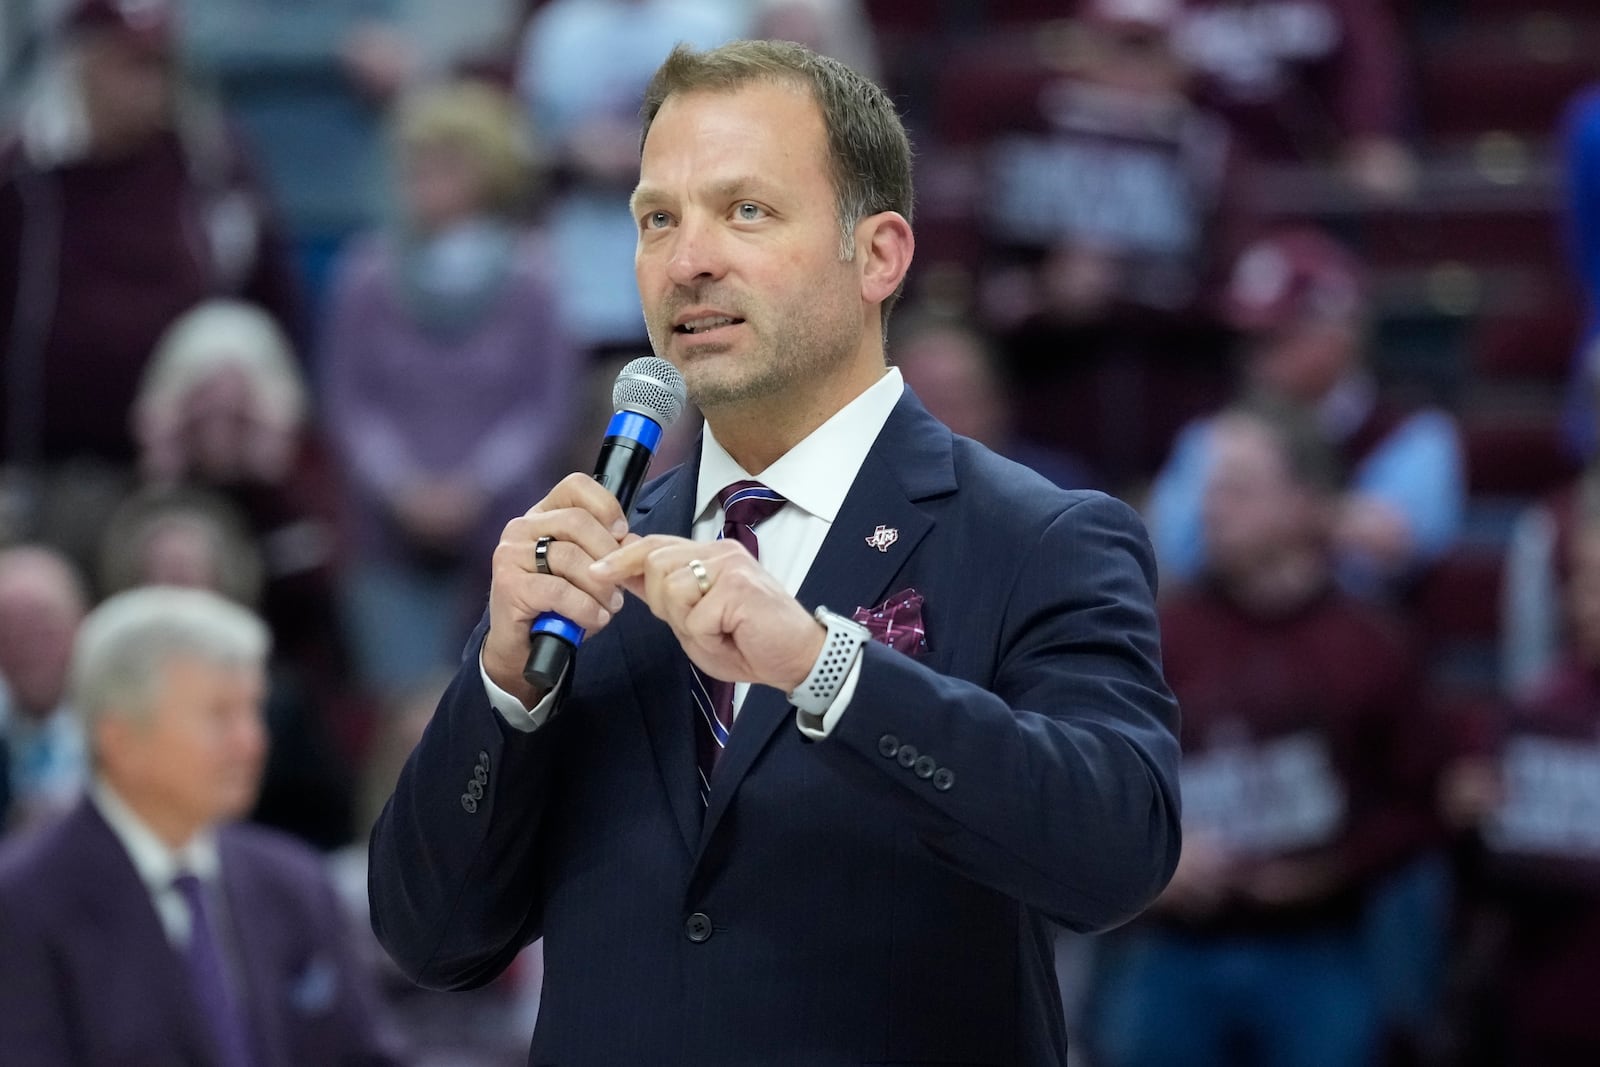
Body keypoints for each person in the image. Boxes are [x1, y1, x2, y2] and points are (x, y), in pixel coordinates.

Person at [369, 39, 1181, 1066]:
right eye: (657, 217)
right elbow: (430, 934)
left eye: (744, 210)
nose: (687, 257)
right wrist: (500, 688)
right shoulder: (585, 555)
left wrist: (822, 665)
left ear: (879, 254)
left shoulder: (1040, 537)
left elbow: (1114, 855)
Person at [1091, 401, 1442, 1067]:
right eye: (1208, 486)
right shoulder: (1155, 633)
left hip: (1321, 945)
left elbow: (1422, 801)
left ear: (1306, 504)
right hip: (1171, 946)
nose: (1210, 506)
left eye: (1237, 487)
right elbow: (1095, 777)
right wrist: (1151, 860)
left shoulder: (1372, 643)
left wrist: (1335, 867)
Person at [0, 585, 406, 1064]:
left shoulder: (291, 882)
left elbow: (364, 1056)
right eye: (220, 715)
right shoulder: (24, 904)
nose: (252, 742)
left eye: (253, 709)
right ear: (120, 737)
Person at [320, 79, 583, 697]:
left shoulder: (534, 280)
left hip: (507, 532)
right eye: (415, 167)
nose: (425, 182)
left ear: (489, 174)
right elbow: (349, 402)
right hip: (387, 539)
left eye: (446, 166)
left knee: (498, 700)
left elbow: (545, 406)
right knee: (400, 709)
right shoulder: (364, 276)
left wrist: (477, 486)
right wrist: (399, 486)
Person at [1146, 225, 1465, 599]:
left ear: (1339, 334)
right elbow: (1174, 552)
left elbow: (1391, 553)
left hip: (1364, 645)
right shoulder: (1212, 435)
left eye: (1275, 337)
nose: (1255, 359)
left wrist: (1277, 517)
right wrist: (1330, 522)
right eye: (1249, 341)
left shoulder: (1415, 435)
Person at [0, 543, 89, 835]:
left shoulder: (121, 730)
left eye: (43, 631)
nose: (29, 650)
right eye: (10, 633)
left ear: (81, 625)